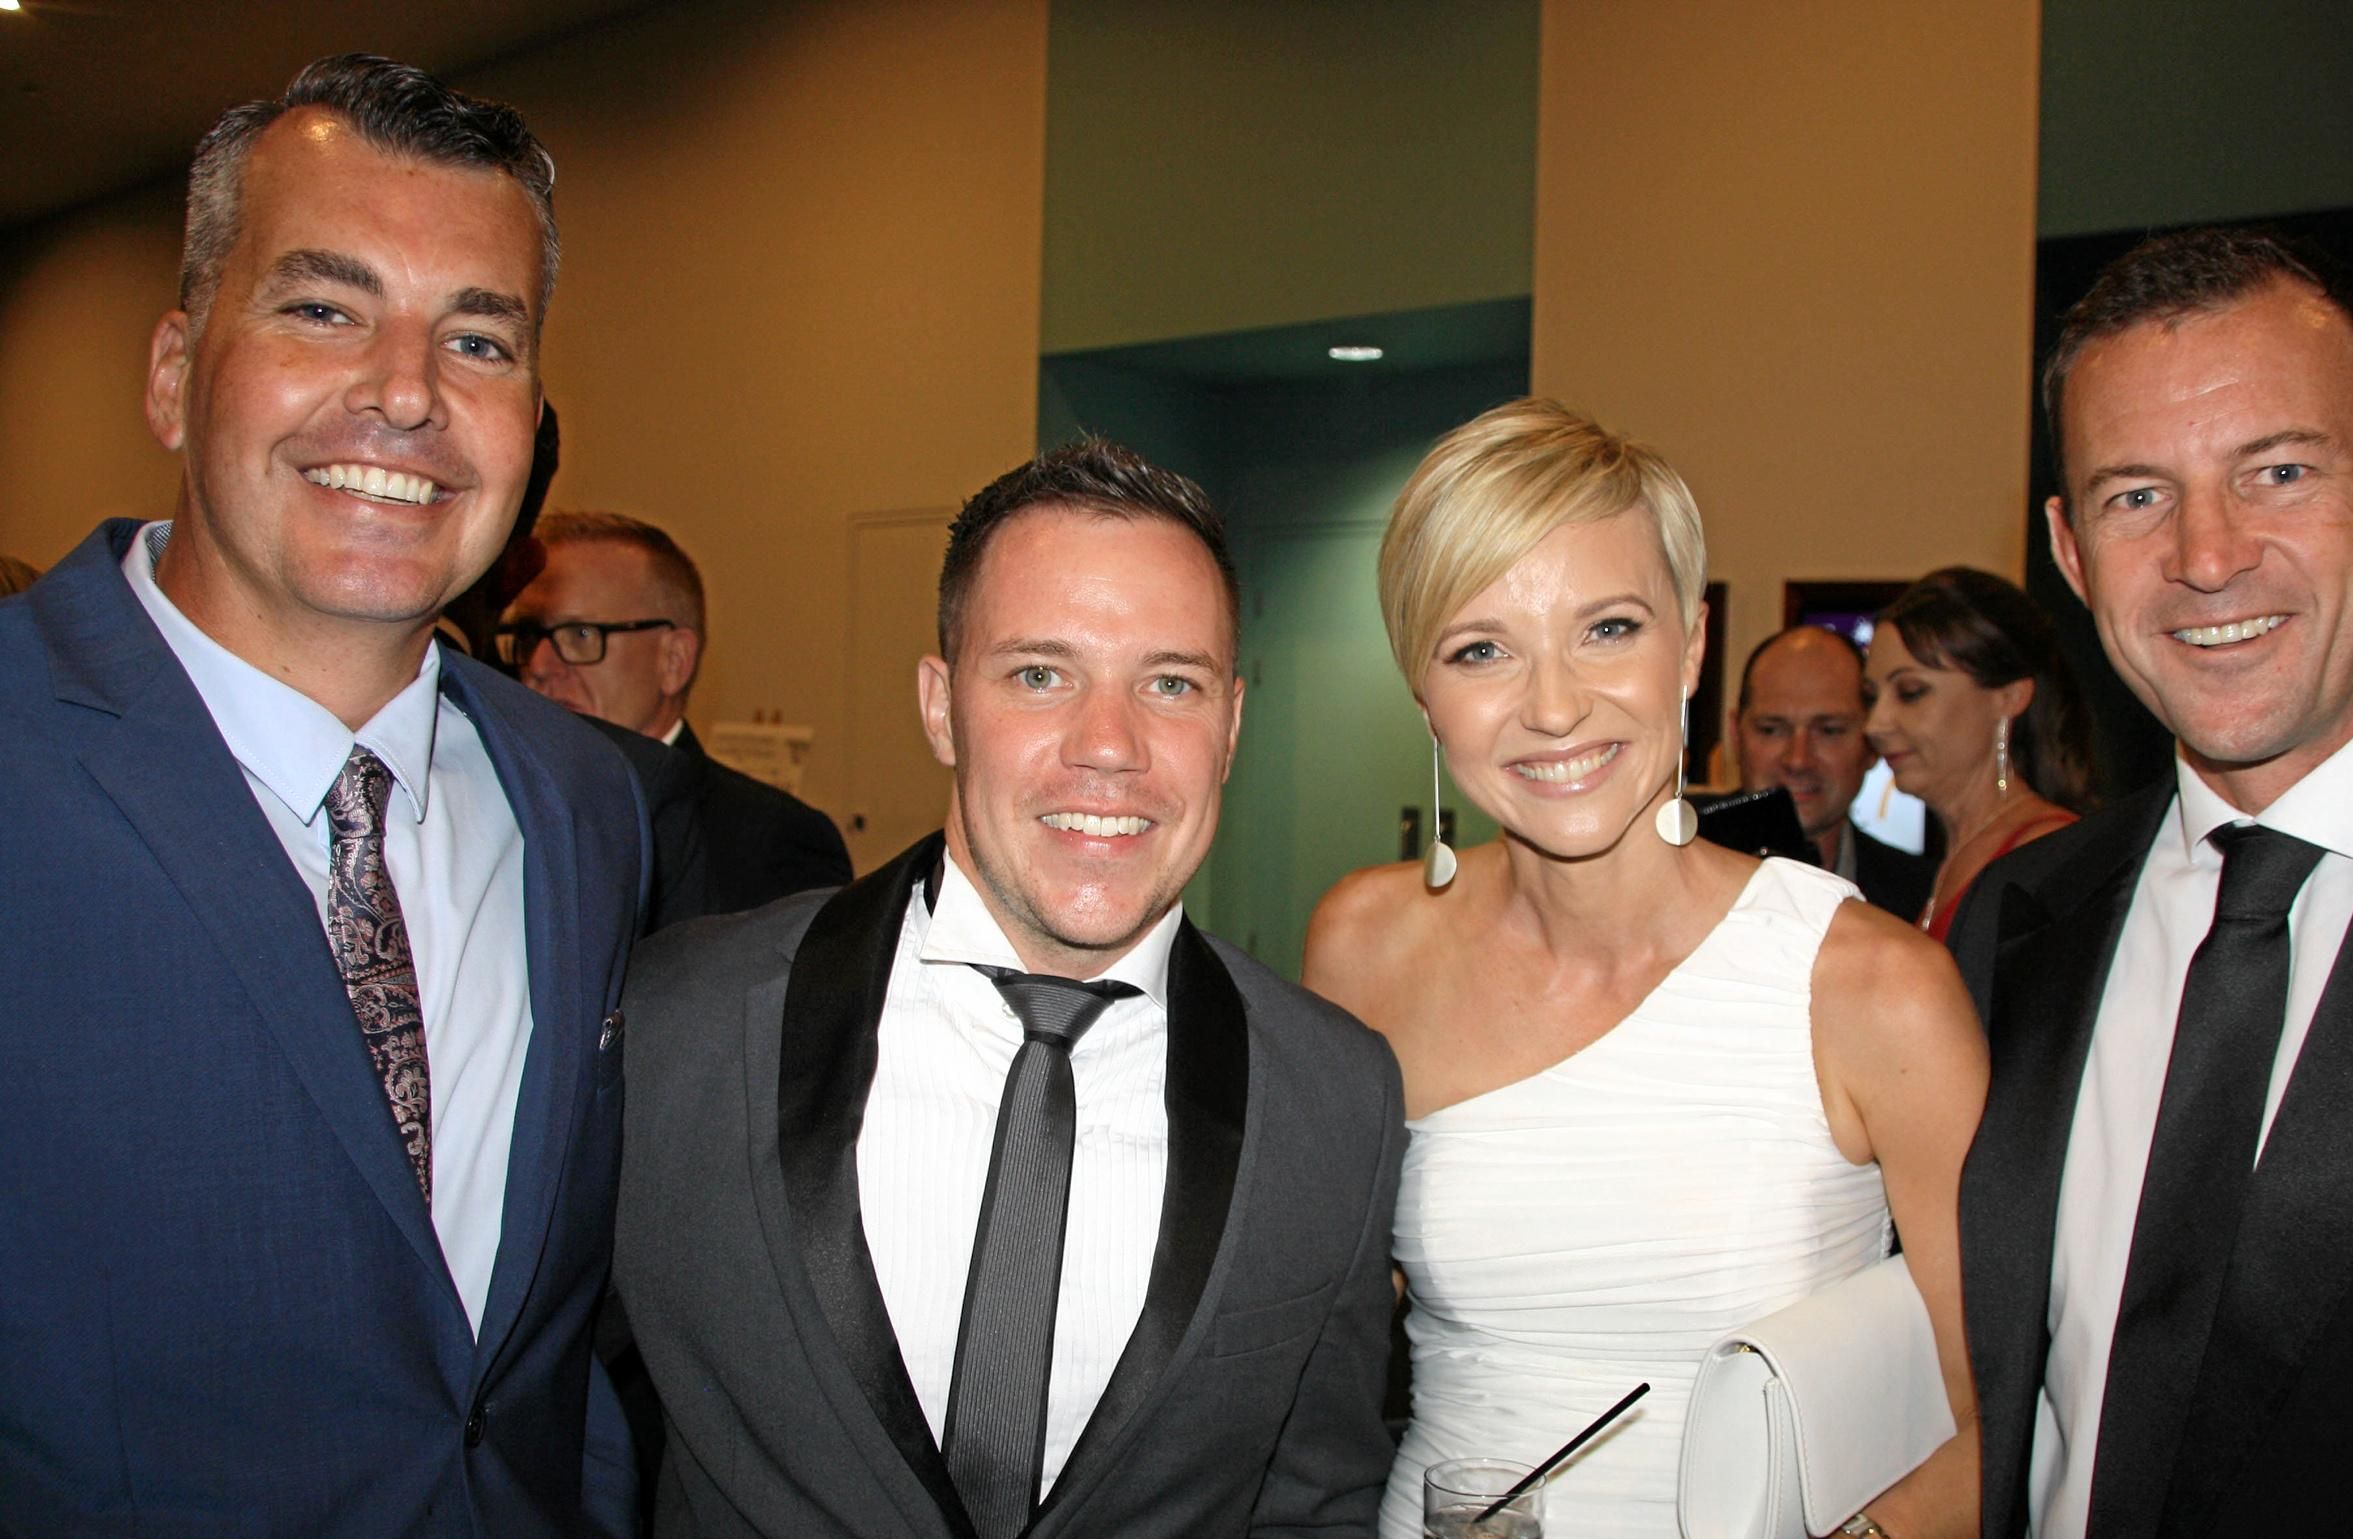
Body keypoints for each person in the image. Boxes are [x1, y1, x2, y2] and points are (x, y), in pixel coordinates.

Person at [0, 56, 645, 1536]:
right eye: (322, 308)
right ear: (175, 372)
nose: (407, 393)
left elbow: (547, 1347)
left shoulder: (583, 804)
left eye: (479, 340)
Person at [614, 439, 1404, 1538]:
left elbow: (1314, 1503)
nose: (1109, 747)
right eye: (1041, 674)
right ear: (942, 706)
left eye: (1169, 684)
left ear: (1230, 725)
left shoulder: (1334, 1099)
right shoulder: (675, 1025)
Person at [1306, 398, 1986, 1539]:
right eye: (1483, 649)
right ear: (1423, 691)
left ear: (1693, 645)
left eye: (1608, 628)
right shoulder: (1368, 945)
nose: (1556, 705)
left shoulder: (1871, 989)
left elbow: (2006, 1411)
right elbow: (1313, 1345)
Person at [1950, 227, 2353, 1537]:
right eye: (2137, 494)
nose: (2208, 557)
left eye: (2277, 470)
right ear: (2073, 549)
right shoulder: (2020, 924)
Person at [500, 509, 853, 920]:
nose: (541, 665)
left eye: (581, 635)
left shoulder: (773, 839)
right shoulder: (495, 806)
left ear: (674, 660)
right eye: (529, 636)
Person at [1864, 567, 2095, 940]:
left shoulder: (2047, 856)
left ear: (2009, 697)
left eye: (1910, 692)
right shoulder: (1954, 858)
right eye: (1872, 697)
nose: (1875, 724)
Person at [1736, 623, 1937, 918]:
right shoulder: (1668, 871)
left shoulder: (1922, 900)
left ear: (1870, 745)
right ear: (1735, 735)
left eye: (1829, 731)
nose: (1798, 760)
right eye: (1772, 730)